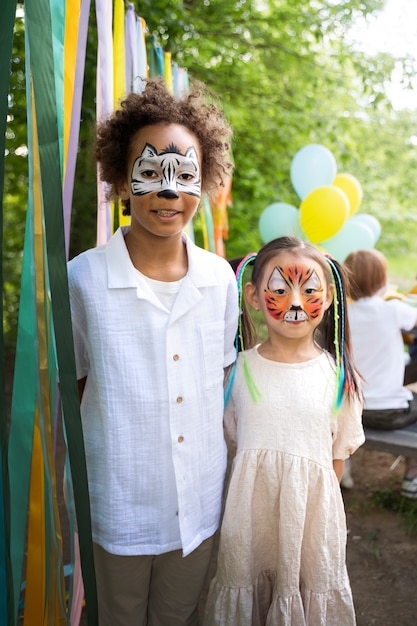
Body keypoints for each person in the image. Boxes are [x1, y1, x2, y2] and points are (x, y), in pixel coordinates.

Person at [67, 77, 239, 626]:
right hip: (120, 503)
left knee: (177, 615)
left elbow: (221, 380)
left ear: (203, 180)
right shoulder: (83, 281)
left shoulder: (221, 279)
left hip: (198, 504)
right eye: (150, 172)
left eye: (184, 175)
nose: (169, 193)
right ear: (121, 177)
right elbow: (75, 384)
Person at [203, 237, 365, 626]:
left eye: (309, 290)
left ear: (327, 298)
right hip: (250, 523)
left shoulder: (338, 378)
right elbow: (233, 443)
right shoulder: (237, 372)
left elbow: (335, 462)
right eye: (279, 289)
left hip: (311, 526)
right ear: (254, 296)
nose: (295, 303)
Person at [344, 248, 417, 498]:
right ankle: (412, 476)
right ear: (382, 281)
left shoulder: (345, 316)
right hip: (391, 413)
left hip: (351, 413)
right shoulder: (394, 309)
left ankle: (344, 463)